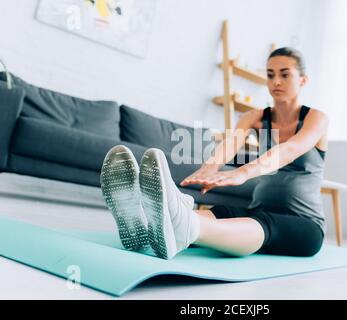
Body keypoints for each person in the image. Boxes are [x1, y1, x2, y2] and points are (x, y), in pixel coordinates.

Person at [100, 47, 329, 260]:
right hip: (257, 209)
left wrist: (244, 172)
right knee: (222, 212)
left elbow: (289, 150)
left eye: (285, 74)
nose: (276, 81)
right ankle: (147, 227)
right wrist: (211, 167)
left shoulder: (315, 119)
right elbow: (230, 144)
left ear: (303, 80)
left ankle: (184, 222)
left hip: (304, 225)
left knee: (264, 223)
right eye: (270, 75)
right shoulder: (256, 117)